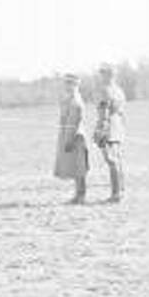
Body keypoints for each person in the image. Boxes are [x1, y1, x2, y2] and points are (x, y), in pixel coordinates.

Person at [93, 63, 126, 203]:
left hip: (108, 125)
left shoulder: (105, 90)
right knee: (118, 160)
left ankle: (116, 194)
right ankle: (121, 191)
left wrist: (100, 128)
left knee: (111, 160)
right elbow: (123, 111)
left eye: (102, 73)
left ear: (107, 74)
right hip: (118, 125)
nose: (101, 75)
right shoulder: (119, 90)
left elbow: (103, 110)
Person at [54, 73, 89, 204]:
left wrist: (68, 139)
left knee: (79, 168)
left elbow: (73, 122)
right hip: (70, 135)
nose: (67, 86)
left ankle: (81, 196)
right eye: (66, 83)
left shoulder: (76, 101)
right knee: (75, 168)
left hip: (76, 137)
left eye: (70, 83)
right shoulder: (69, 99)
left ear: (76, 85)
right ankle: (78, 195)